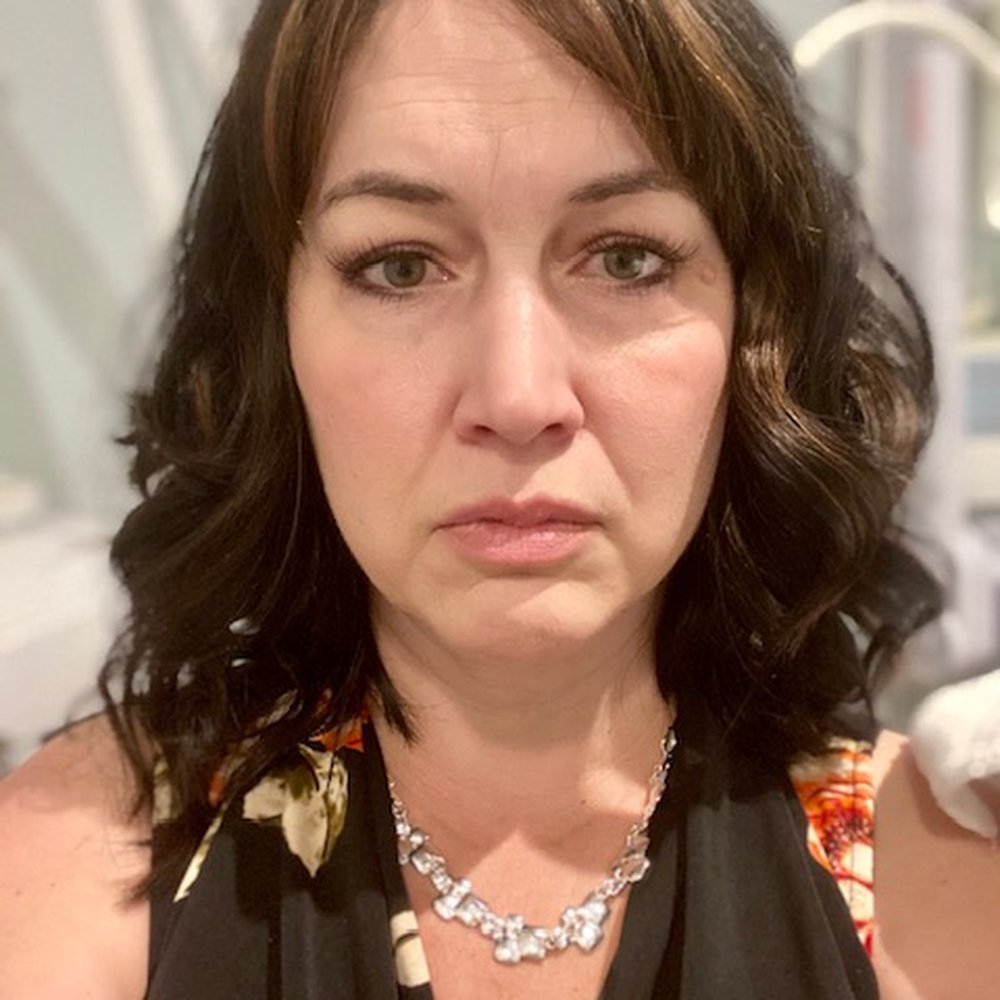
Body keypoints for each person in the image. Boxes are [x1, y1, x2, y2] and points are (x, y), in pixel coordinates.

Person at [1, 0, 997, 997]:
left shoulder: (938, 883)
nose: (518, 398)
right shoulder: (80, 869)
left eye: (626, 258)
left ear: (755, 328)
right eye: (399, 266)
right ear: (276, 337)